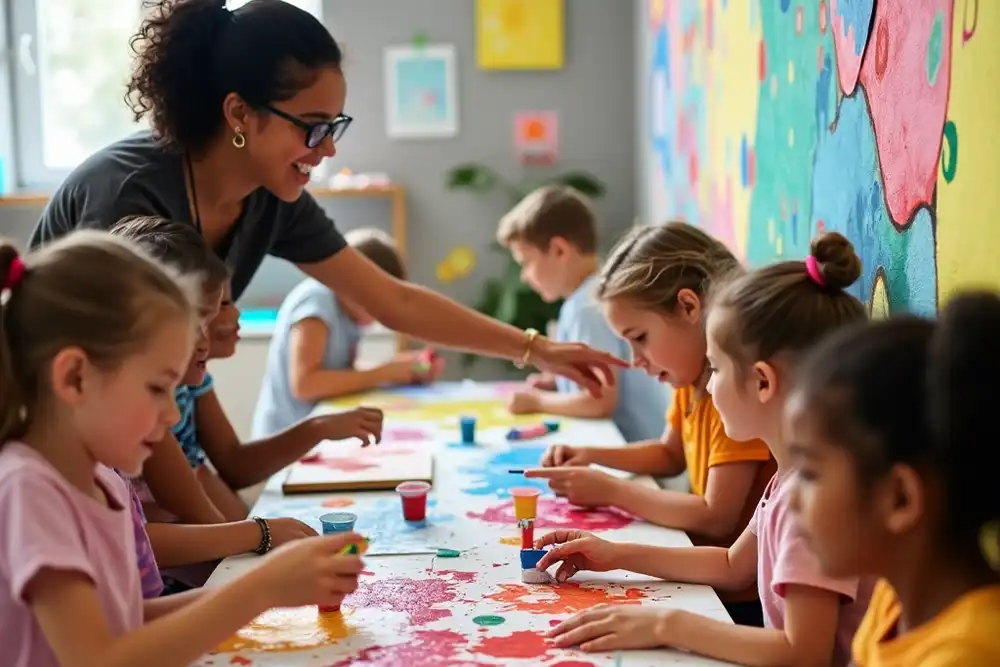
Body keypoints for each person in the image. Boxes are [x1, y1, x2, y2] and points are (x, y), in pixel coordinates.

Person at [29, 0, 623, 397]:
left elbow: (391, 300)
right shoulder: (129, 195)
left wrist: (535, 349)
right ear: (239, 113)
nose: (327, 149)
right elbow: (105, 382)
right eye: (311, 126)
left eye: (333, 126)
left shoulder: (270, 195)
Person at [0, 232, 364, 667]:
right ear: (75, 377)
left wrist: (268, 591)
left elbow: (131, 623)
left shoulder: (107, 485)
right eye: (156, 388)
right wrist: (261, 587)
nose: (173, 415)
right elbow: (97, 658)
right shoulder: (29, 488)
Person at [532, 233, 874, 664]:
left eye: (715, 368)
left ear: (763, 382)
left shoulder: (817, 502)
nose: (707, 385)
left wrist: (666, 624)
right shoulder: (793, 480)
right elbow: (733, 565)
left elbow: (804, 652)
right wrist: (613, 554)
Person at [526, 221, 775, 626]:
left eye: (639, 337)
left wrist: (612, 489)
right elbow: (669, 454)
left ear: (690, 308)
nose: (635, 361)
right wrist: (590, 455)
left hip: (736, 601)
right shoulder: (690, 380)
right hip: (705, 577)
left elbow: (717, 516)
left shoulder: (733, 396)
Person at [110, 216, 382, 526]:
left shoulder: (188, 386)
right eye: (219, 305)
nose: (234, 314)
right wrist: (259, 538)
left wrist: (319, 428)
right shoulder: (145, 407)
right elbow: (194, 517)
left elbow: (226, 470)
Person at [786, 293, 1000, 667]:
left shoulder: (967, 655)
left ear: (900, 498)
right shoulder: (895, 599)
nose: (791, 501)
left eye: (809, 473)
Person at [496, 186, 668, 442]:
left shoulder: (588, 307)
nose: (525, 276)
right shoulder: (589, 297)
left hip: (636, 450)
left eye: (526, 262)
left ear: (559, 251)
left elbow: (599, 402)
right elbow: (596, 382)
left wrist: (538, 402)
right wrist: (560, 385)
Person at [252, 227, 443, 439]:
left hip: (316, 433)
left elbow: (337, 374)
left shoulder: (348, 312)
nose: (383, 314)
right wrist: (384, 372)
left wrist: (399, 370)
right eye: (379, 303)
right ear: (353, 285)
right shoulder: (317, 301)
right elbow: (305, 384)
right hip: (285, 445)